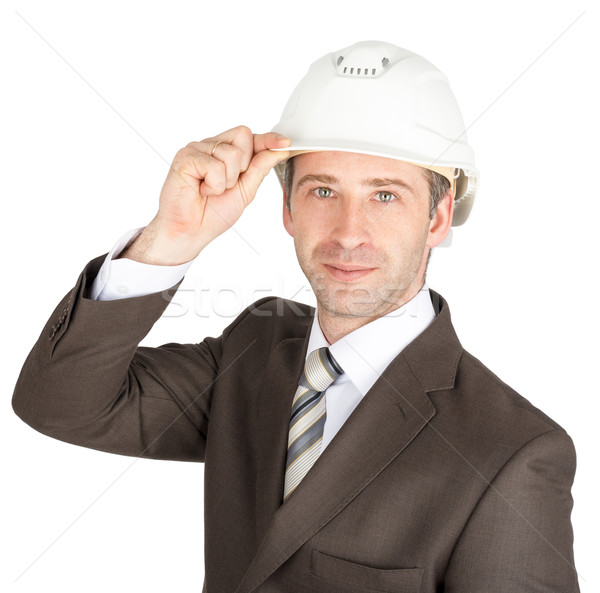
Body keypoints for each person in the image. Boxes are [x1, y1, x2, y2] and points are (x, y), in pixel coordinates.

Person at [12, 41, 579, 592]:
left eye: (385, 196)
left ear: (438, 218)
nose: (348, 232)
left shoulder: (512, 453)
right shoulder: (257, 346)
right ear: (286, 207)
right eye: (323, 190)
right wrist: (172, 239)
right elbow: (59, 402)